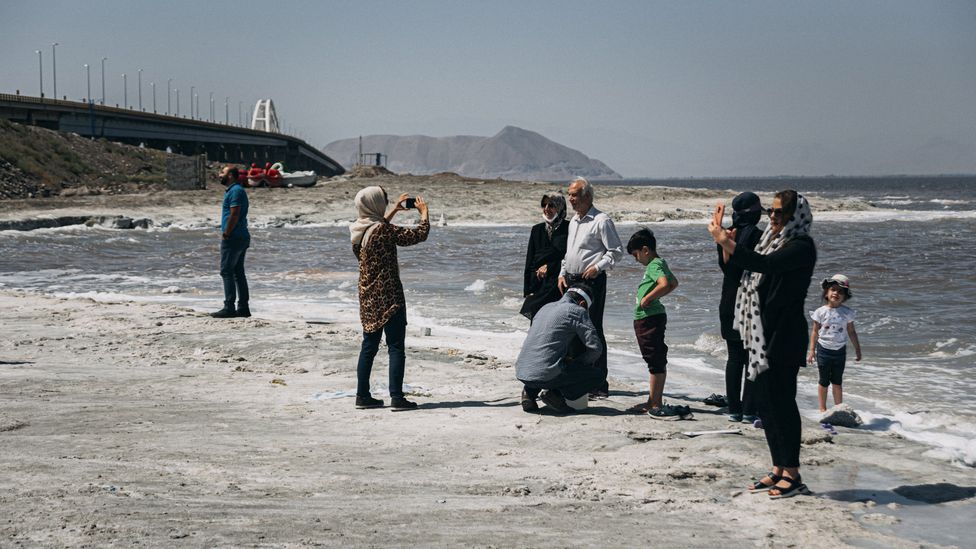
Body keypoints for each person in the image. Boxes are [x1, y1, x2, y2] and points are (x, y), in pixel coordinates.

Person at [708, 189, 817, 499]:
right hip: (761, 333)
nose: (773, 216)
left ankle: (793, 474)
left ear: (796, 216)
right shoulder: (770, 241)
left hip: (784, 335)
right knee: (766, 405)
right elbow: (735, 269)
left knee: (782, 404)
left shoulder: (801, 246)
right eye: (771, 211)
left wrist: (723, 239)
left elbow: (762, 265)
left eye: (780, 212)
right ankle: (778, 468)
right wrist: (722, 242)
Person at [350, 186, 430, 411]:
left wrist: (394, 210)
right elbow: (417, 235)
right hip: (389, 297)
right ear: (375, 204)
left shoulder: (360, 231)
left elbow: (379, 226)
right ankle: (397, 397)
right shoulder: (383, 231)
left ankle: (362, 396)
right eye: (384, 200)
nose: (386, 202)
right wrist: (424, 213)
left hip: (368, 296)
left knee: (369, 347)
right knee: (396, 347)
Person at [557, 177, 623, 398]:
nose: (570, 199)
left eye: (574, 194)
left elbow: (616, 251)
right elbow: (570, 252)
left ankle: (599, 383)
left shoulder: (601, 220)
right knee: (572, 330)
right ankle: (579, 380)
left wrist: (598, 267)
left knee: (592, 329)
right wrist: (561, 272)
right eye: (569, 194)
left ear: (586, 196)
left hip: (592, 282)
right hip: (571, 280)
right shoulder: (573, 221)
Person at [515, 284, 604, 414]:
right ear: (582, 303)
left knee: (544, 359)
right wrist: (578, 362)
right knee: (597, 376)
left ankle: (528, 393)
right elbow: (596, 349)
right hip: (544, 375)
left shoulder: (545, 307)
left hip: (522, 371)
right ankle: (555, 395)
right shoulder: (577, 310)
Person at [626, 228, 685, 419]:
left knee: (655, 361)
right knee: (655, 359)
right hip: (652, 316)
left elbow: (665, 284)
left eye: (636, 255)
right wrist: (655, 298)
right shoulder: (660, 262)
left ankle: (655, 402)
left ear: (645, 250)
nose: (636, 259)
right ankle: (653, 400)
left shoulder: (653, 265)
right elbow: (673, 283)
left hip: (648, 318)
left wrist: (648, 299)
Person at [717, 192, 764, 422]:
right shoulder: (759, 236)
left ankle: (734, 409)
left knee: (734, 358)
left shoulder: (724, 235)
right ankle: (749, 410)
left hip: (728, 302)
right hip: (750, 303)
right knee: (752, 359)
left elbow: (728, 269)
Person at [808, 274, 862, 412]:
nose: (836, 293)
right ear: (826, 292)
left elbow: (851, 332)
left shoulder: (847, 312)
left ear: (845, 296)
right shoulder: (820, 312)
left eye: (840, 291)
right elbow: (815, 332)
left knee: (837, 381)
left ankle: (839, 408)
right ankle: (822, 408)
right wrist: (811, 350)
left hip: (839, 351)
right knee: (824, 381)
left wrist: (857, 349)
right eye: (833, 289)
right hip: (823, 350)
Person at [520, 192, 569, 320]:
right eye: (544, 205)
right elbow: (530, 261)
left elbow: (571, 257)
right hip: (539, 284)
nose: (546, 209)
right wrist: (528, 290)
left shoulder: (569, 228)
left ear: (560, 207)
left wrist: (550, 266)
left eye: (551, 205)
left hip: (559, 285)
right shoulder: (536, 230)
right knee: (537, 322)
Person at [211, 165, 251, 318]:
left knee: (226, 271)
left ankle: (229, 307)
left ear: (232, 176)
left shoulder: (235, 191)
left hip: (234, 237)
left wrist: (226, 233)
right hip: (241, 236)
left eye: (223, 172)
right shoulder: (235, 190)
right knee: (238, 273)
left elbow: (234, 214)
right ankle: (243, 308)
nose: (220, 174)